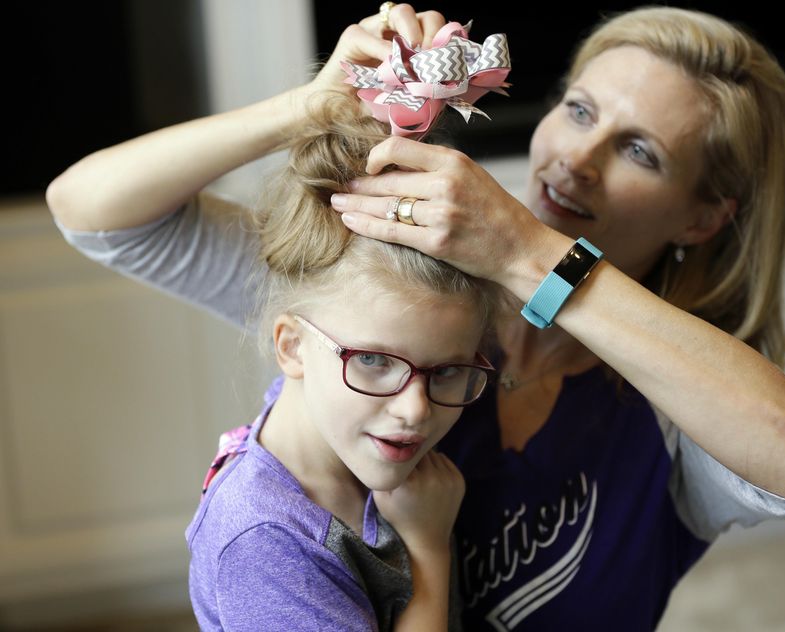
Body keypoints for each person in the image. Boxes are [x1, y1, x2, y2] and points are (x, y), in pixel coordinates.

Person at [46, 4, 785, 631]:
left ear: (703, 218)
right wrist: (312, 105)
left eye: (640, 151)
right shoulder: (394, 301)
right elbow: (93, 211)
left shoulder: (681, 408)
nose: (576, 158)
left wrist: (531, 255)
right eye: (577, 109)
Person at [46, 19, 505, 631]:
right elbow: (84, 203)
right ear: (290, 346)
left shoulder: (342, 410)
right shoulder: (262, 544)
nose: (415, 411)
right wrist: (428, 552)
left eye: (447, 371)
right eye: (373, 361)